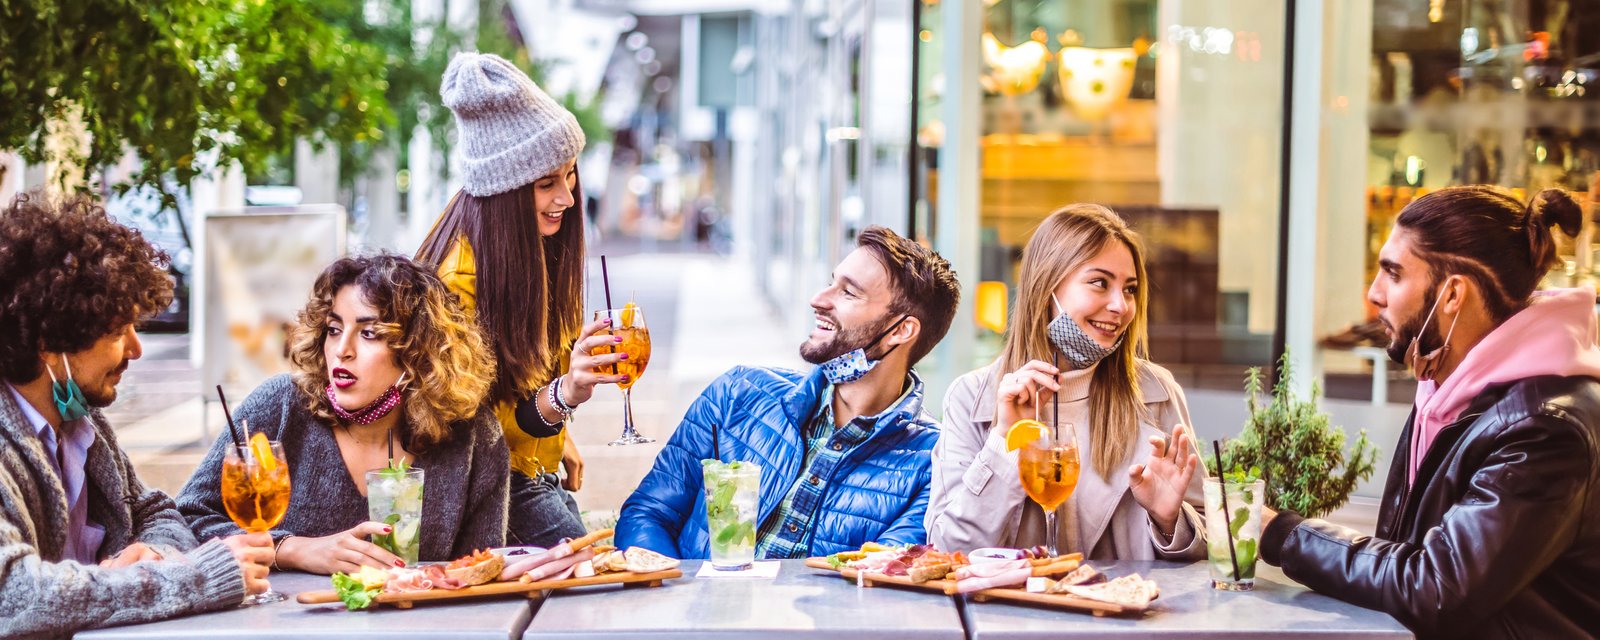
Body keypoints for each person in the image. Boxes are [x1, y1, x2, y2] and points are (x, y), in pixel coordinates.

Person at [1260, 186, 1600, 638]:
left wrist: (1279, 533)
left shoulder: (1545, 429)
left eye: (1394, 274)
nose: (1374, 294)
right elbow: (1404, 557)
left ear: (1453, 294)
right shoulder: (1449, 392)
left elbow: (1437, 586)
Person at [0, 192, 271, 636]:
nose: (136, 348)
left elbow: (157, 512)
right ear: (48, 342)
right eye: (115, 332)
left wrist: (155, 554)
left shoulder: (82, 423)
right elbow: (13, 593)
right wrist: (197, 577)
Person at [616, 225, 961, 558]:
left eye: (848, 292)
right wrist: (684, 599)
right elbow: (646, 515)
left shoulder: (936, 462)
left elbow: (880, 579)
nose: (818, 299)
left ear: (901, 331)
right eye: (831, 283)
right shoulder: (737, 393)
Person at [177, 255, 508, 573]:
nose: (341, 349)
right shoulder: (280, 406)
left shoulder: (474, 437)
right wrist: (292, 550)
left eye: (369, 334)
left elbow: (479, 570)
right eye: (334, 329)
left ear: (419, 351)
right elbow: (186, 518)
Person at [416, 52, 619, 547]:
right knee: (589, 583)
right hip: (488, 486)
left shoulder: (529, 245)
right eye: (546, 183)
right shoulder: (457, 279)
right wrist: (562, 397)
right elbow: (468, 429)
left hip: (527, 471)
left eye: (569, 174)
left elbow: (515, 384)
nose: (567, 198)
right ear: (503, 192)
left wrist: (556, 435)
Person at [928, 204, 1203, 559]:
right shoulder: (972, 398)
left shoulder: (1157, 393)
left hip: (1121, 609)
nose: (1121, 305)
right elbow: (946, 551)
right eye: (1099, 283)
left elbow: (1210, 544)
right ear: (1047, 287)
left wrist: (1169, 521)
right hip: (1010, 613)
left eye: (1130, 289)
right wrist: (1003, 442)